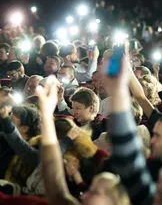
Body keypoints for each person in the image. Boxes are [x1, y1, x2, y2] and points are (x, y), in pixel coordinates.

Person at [38, 77, 135, 205]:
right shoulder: (75, 125)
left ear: (91, 108)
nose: (74, 112)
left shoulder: (101, 127)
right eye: (73, 108)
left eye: (78, 108)